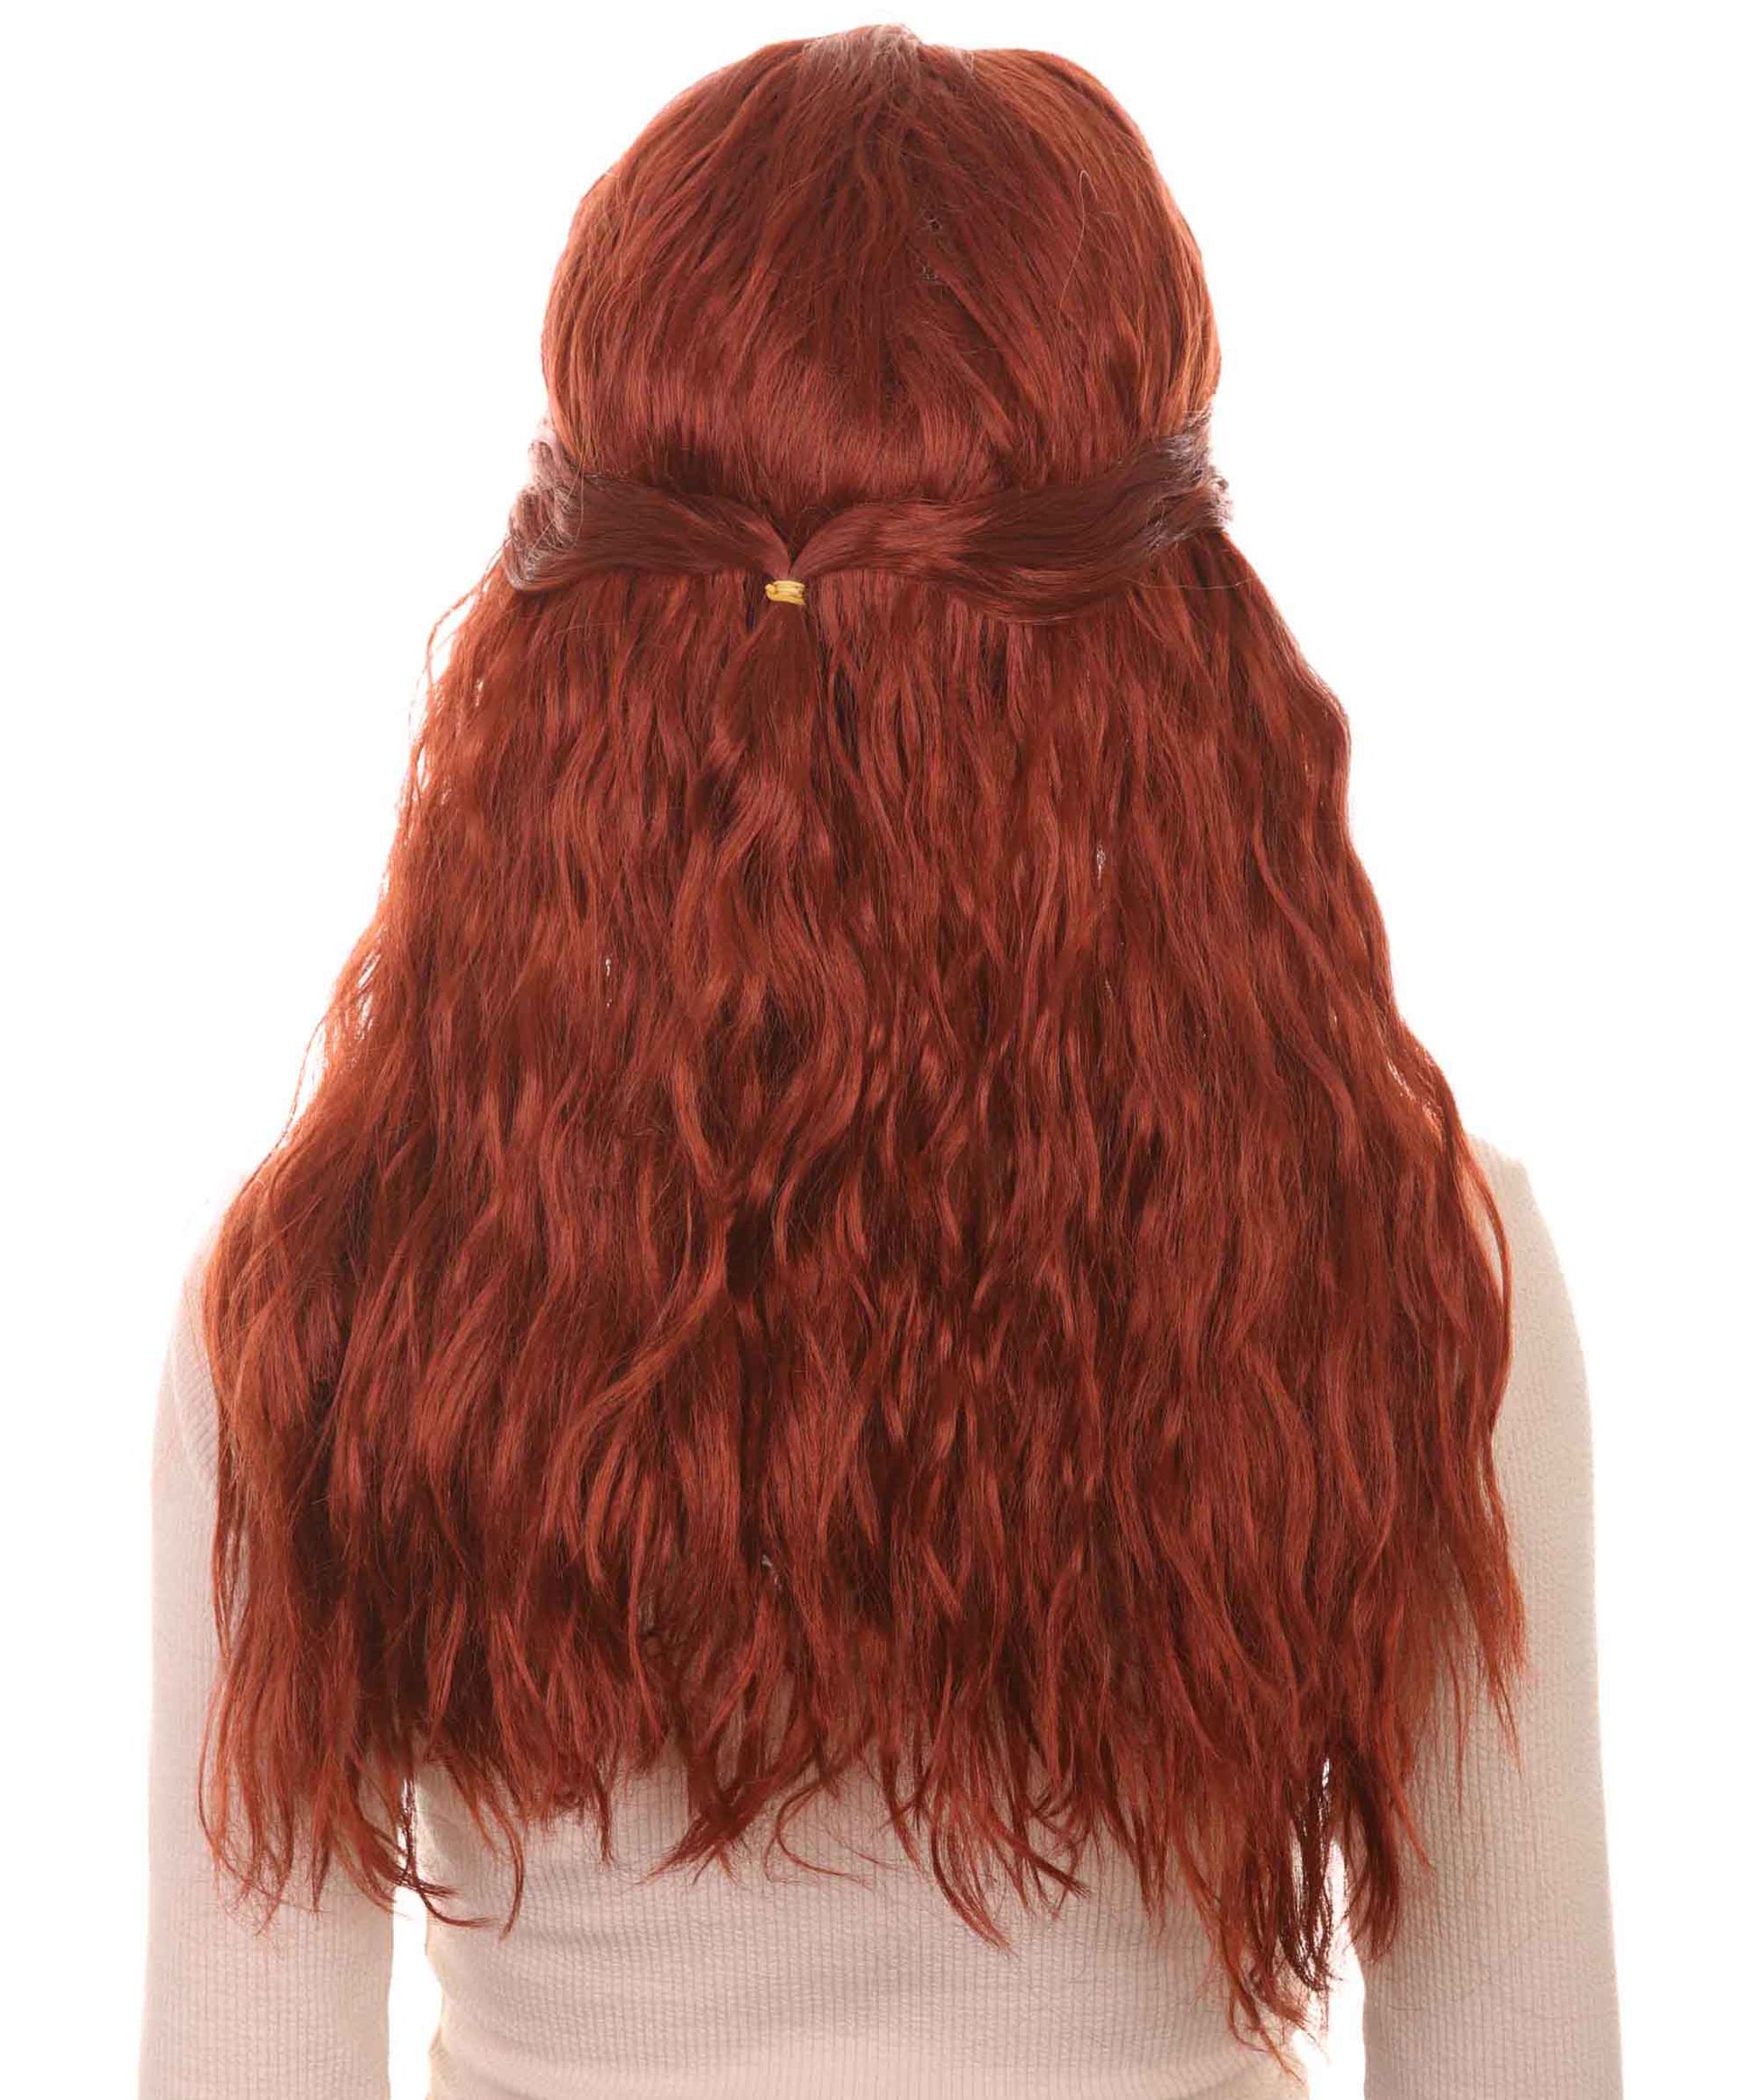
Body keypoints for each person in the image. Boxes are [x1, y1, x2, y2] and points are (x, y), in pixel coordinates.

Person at [139, 26, 1622, 2099]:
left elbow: (238, 2064)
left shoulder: (330, 1280)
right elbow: (1522, 2051)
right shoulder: (1410, 1250)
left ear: (576, 633)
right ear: (1162, 642)